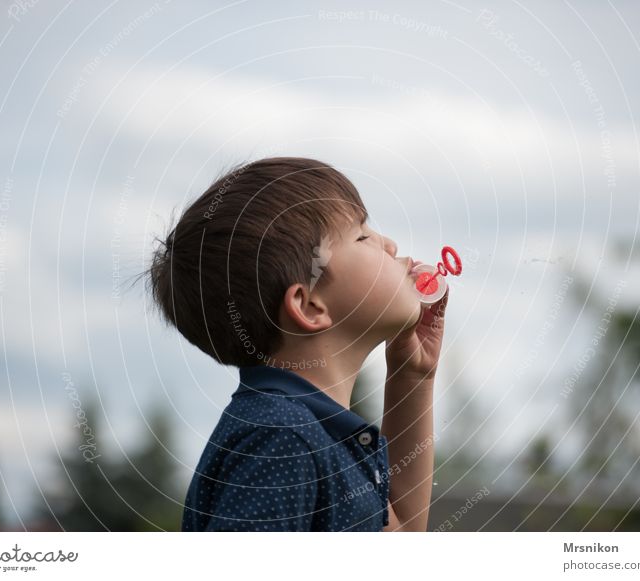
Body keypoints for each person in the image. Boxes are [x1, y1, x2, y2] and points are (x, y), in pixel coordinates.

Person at [146, 157, 449, 531]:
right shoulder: (280, 440)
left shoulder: (316, 435)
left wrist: (414, 377)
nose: (388, 243)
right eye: (362, 236)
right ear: (308, 306)